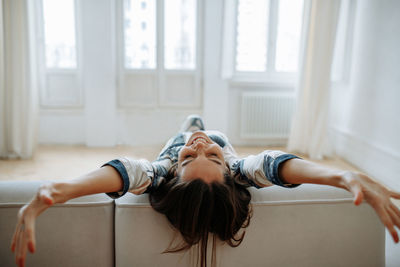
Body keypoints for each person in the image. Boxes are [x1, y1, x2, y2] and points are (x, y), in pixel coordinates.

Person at [11, 115, 400, 267]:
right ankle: (195, 119)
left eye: (191, 158)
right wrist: (341, 178)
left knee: (188, 127)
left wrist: (59, 189)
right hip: (215, 144)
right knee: (199, 124)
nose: (199, 145)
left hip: (171, 140)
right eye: (210, 157)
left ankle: (188, 121)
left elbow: (129, 173)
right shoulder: (237, 169)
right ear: (229, 172)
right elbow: (274, 164)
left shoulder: (164, 168)